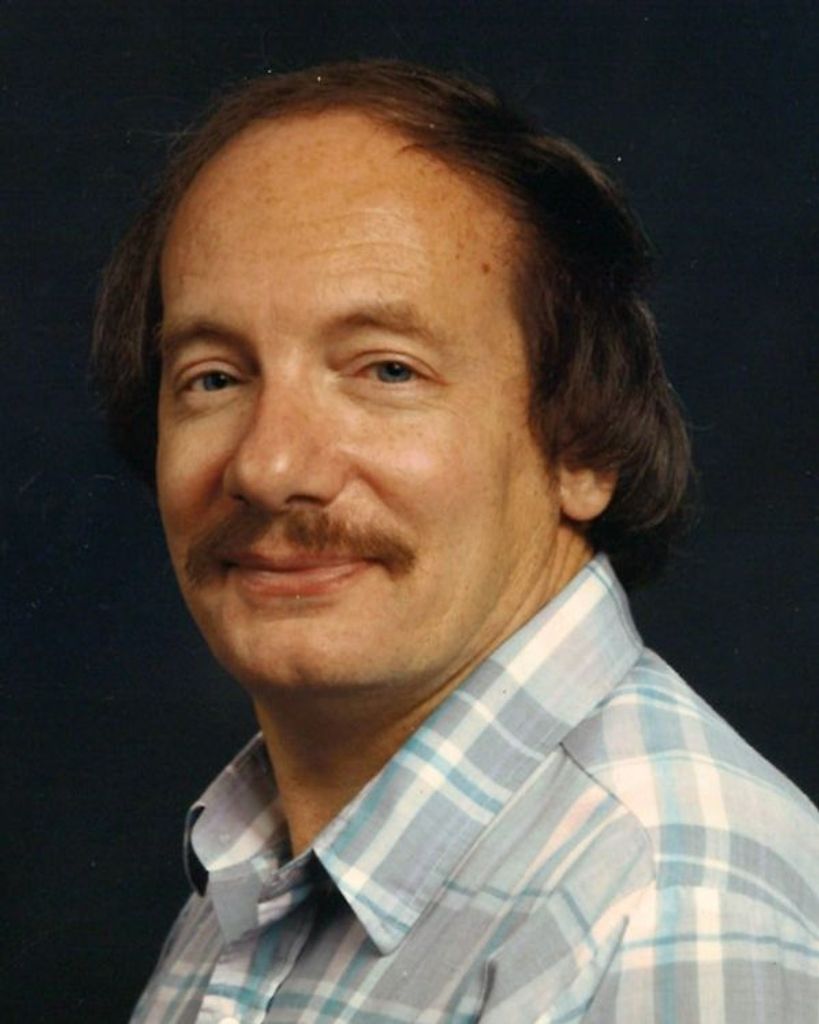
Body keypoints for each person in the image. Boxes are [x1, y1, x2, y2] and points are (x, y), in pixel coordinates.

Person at [92, 59, 819, 1023]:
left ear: (584, 443)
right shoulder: (258, 871)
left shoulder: (661, 916)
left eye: (386, 370)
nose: (268, 467)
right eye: (214, 378)